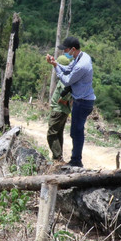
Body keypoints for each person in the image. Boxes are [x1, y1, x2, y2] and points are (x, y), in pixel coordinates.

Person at [46, 36, 95, 168]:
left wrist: (56, 68)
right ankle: (75, 159)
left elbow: (67, 80)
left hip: (82, 102)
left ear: (73, 49)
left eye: (66, 50)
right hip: (82, 100)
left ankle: (76, 160)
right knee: (76, 131)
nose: (65, 52)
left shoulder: (81, 65)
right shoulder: (80, 57)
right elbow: (68, 69)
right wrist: (56, 64)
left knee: (76, 132)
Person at [46, 54, 72, 162]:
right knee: (58, 133)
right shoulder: (69, 77)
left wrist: (63, 99)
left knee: (51, 134)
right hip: (63, 111)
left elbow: (66, 91)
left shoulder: (64, 79)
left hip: (58, 110)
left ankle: (58, 158)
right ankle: (58, 158)